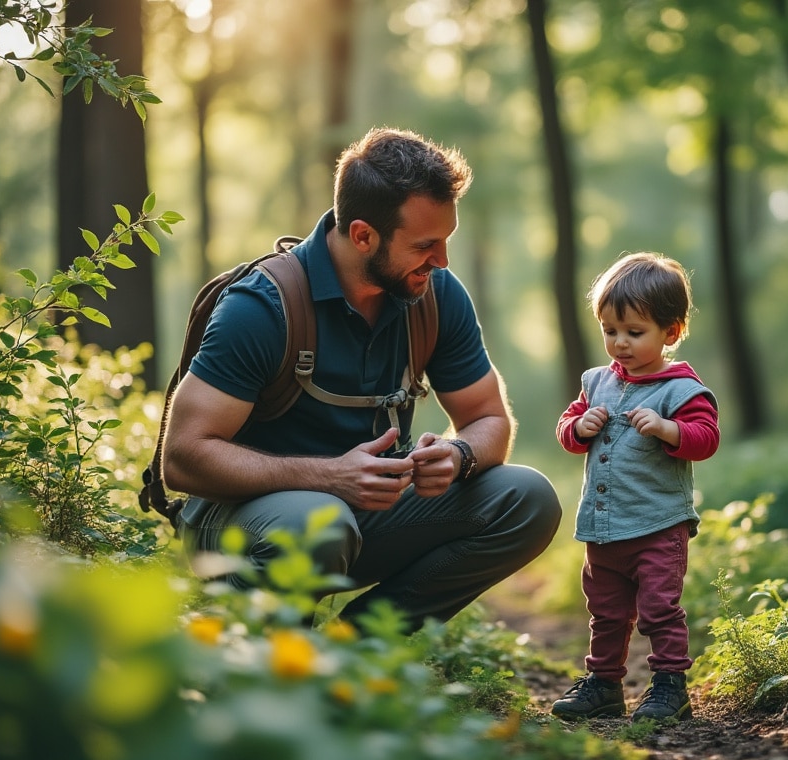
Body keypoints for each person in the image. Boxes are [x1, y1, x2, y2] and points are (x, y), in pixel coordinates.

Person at [162, 127, 562, 632]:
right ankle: (274, 667)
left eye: (445, 241)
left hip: (363, 514)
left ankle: (355, 652)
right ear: (362, 235)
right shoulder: (261, 307)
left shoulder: (436, 295)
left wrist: (459, 456)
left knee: (528, 499)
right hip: (242, 523)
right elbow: (182, 458)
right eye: (425, 245)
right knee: (319, 524)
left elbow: (488, 418)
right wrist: (327, 476)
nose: (442, 261)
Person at [550, 252, 719, 723]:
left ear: (671, 331)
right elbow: (566, 430)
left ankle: (670, 685)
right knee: (605, 610)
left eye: (634, 332)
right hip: (603, 529)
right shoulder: (596, 382)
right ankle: (604, 683)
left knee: (659, 610)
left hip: (658, 527)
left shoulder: (681, 389)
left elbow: (706, 439)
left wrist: (667, 429)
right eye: (610, 331)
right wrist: (580, 427)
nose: (619, 343)